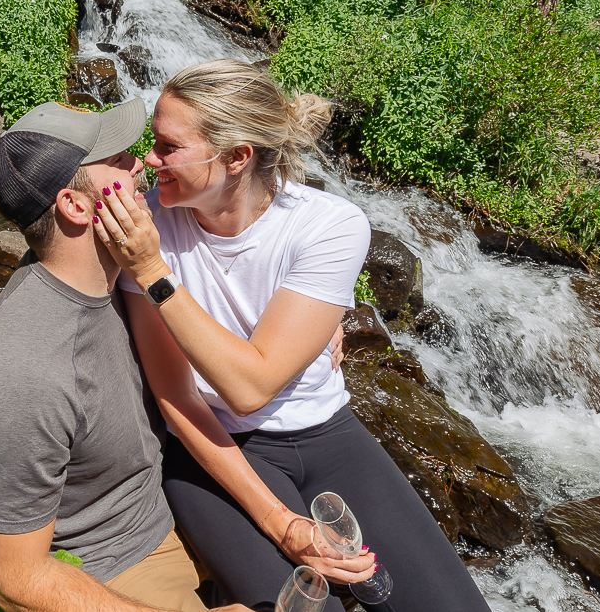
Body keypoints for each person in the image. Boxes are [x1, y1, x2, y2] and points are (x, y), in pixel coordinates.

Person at [92, 61, 492, 612]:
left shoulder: (328, 224)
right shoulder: (148, 226)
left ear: (236, 158)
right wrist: (281, 525)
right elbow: (180, 397)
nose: (148, 162)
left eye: (167, 147)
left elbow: (253, 383)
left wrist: (154, 273)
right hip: (211, 447)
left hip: (326, 434)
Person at [0, 99, 254, 612]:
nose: (140, 164)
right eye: (117, 161)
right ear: (75, 206)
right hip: (121, 562)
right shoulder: (22, 374)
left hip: (172, 493)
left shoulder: (116, 273)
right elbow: (16, 580)